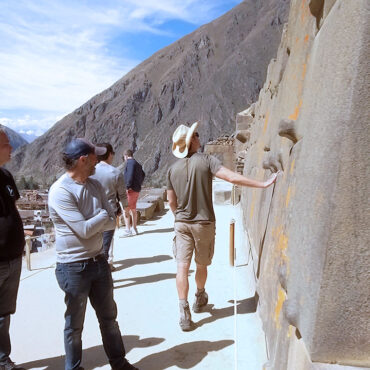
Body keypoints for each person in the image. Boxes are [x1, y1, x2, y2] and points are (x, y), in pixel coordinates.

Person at [167, 122, 278, 331]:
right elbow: (231, 177)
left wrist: (179, 217)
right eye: (197, 135)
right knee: (201, 265)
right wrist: (262, 184)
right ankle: (200, 297)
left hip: (181, 224)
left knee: (181, 267)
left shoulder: (172, 170)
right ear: (192, 142)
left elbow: (171, 202)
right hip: (203, 223)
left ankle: (183, 310)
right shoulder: (207, 161)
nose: (199, 138)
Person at [48, 138, 138, 370]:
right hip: (73, 267)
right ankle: (74, 367)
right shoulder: (60, 191)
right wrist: (100, 216)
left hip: (98, 261)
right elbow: (85, 230)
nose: (98, 162)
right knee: (75, 325)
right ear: (82, 160)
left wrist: (99, 218)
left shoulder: (95, 184)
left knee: (109, 319)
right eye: (94, 158)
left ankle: (119, 363)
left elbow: (112, 222)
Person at [0, 129, 26, 370]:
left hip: (13, 256)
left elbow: (13, 208)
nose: (11, 148)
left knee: (4, 312)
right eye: (6, 144)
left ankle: (3, 358)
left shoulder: (6, 175)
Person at [90, 143, 129, 271]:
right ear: (110, 154)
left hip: (91, 214)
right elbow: (122, 195)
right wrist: (126, 210)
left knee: (93, 246)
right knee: (106, 246)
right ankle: (105, 272)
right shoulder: (115, 172)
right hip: (109, 213)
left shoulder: (89, 172)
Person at [121, 150, 145, 236]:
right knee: (133, 209)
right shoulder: (138, 164)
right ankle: (134, 228)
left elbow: (130, 174)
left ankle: (128, 230)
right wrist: (138, 184)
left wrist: (128, 186)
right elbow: (143, 174)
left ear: (126, 156)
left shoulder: (130, 163)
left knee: (126, 210)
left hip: (130, 190)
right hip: (136, 189)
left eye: (124, 157)